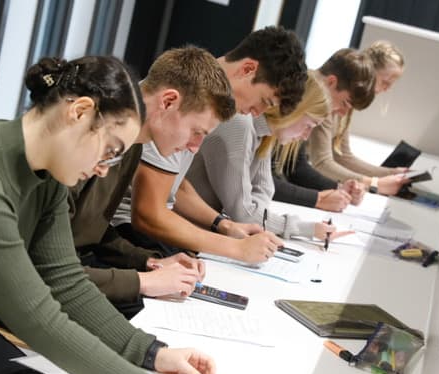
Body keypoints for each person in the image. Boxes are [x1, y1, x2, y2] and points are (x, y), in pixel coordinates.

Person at [0, 55, 218, 374]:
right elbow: (39, 317)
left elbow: (67, 283)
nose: (103, 169)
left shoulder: (45, 174)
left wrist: (152, 352)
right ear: (79, 112)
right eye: (110, 150)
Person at [112, 26, 307, 262]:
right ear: (247, 69)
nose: (258, 113)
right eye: (264, 101)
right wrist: (236, 248)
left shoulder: (208, 103)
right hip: (122, 229)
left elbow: (175, 183)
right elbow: (147, 214)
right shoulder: (190, 98)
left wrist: (222, 225)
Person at [68, 46, 235, 319]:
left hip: (79, 272)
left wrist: (149, 262)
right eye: (196, 132)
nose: (195, 147)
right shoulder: (84, 144)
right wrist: (143, 281)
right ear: (168, 102)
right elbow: (51, 269)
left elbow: (92, 230)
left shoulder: (133, 146)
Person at [185, 71, 354, 242]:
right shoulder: (241, 125)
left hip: (200, 230)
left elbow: (264, 190)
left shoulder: (265, 131)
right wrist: (306, 228)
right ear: (294, 111)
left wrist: (256, 215)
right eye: (308, 125)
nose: (306, 136)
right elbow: (243, 214)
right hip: (185, 232)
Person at [306, 44, 408, 195]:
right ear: (369, 70)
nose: (386, 89)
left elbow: (342, 155)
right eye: (385, 82)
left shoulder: (344, 104)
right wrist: (375, 183)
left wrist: (391, 174)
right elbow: (322, 161)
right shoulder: (331, 98)